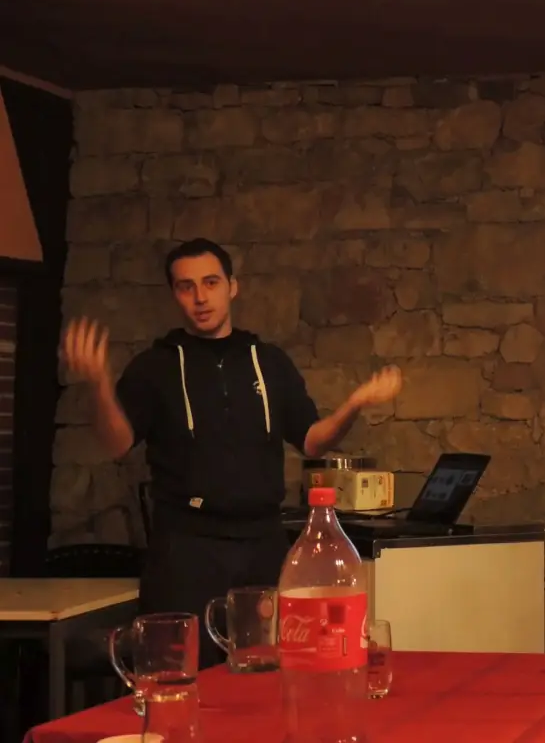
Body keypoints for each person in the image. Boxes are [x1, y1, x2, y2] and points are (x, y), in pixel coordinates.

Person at [61, 238, 403, 668]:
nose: (200, 297)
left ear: (232, 287)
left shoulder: (270, 362)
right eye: (186, 287)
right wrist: (98, 385)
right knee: (181, 674)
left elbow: (312, 440)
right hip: (185, 548)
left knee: (265, 674)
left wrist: (354, 404)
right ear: (174, 294)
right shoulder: (155, 366)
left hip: (262, 542)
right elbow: (117, 442)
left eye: (210, 283)